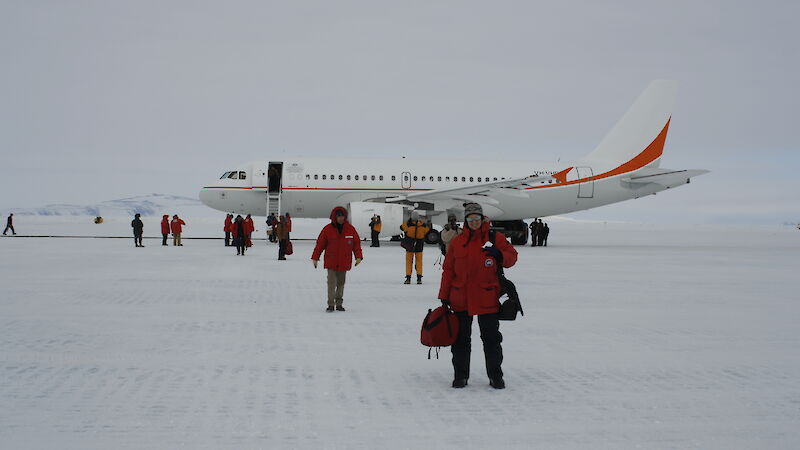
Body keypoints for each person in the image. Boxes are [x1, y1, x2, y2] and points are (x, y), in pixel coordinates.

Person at [438, 202, 518, 389]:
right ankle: (461, 376)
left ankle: (495, 376)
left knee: (491, 339)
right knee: (460, 340)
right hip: (460, 298)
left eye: (477, 218)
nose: (474, 222)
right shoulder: (457, 241)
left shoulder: (494, 237)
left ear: (482, 219)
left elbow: (512, 257)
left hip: (487, 298)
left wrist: (499, 254)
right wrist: (444, 295)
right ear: (465, 220)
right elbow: (448, 270)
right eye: (470, 219)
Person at [311, 206, 363, 312]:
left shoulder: (350, 229)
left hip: (344, 261)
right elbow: (320, 244)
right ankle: (331, 304)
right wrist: (315, 257)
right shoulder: (327, 229)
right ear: (335, 217)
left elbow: (356, 244)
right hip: (331, 262)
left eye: (342, 216)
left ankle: (339, 304)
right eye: (339, 216)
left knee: (341, 283)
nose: (341, 218)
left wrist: (358, 256)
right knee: (331, 284)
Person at [400, 212, 429, 284]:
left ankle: (408, 278)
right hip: (419, 245)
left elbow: (401, 227)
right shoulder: (423, 225)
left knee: (409, 262)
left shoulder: (408, 224)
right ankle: (419, 278)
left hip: (410, 245)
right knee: (419, 262)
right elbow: (427, 230)